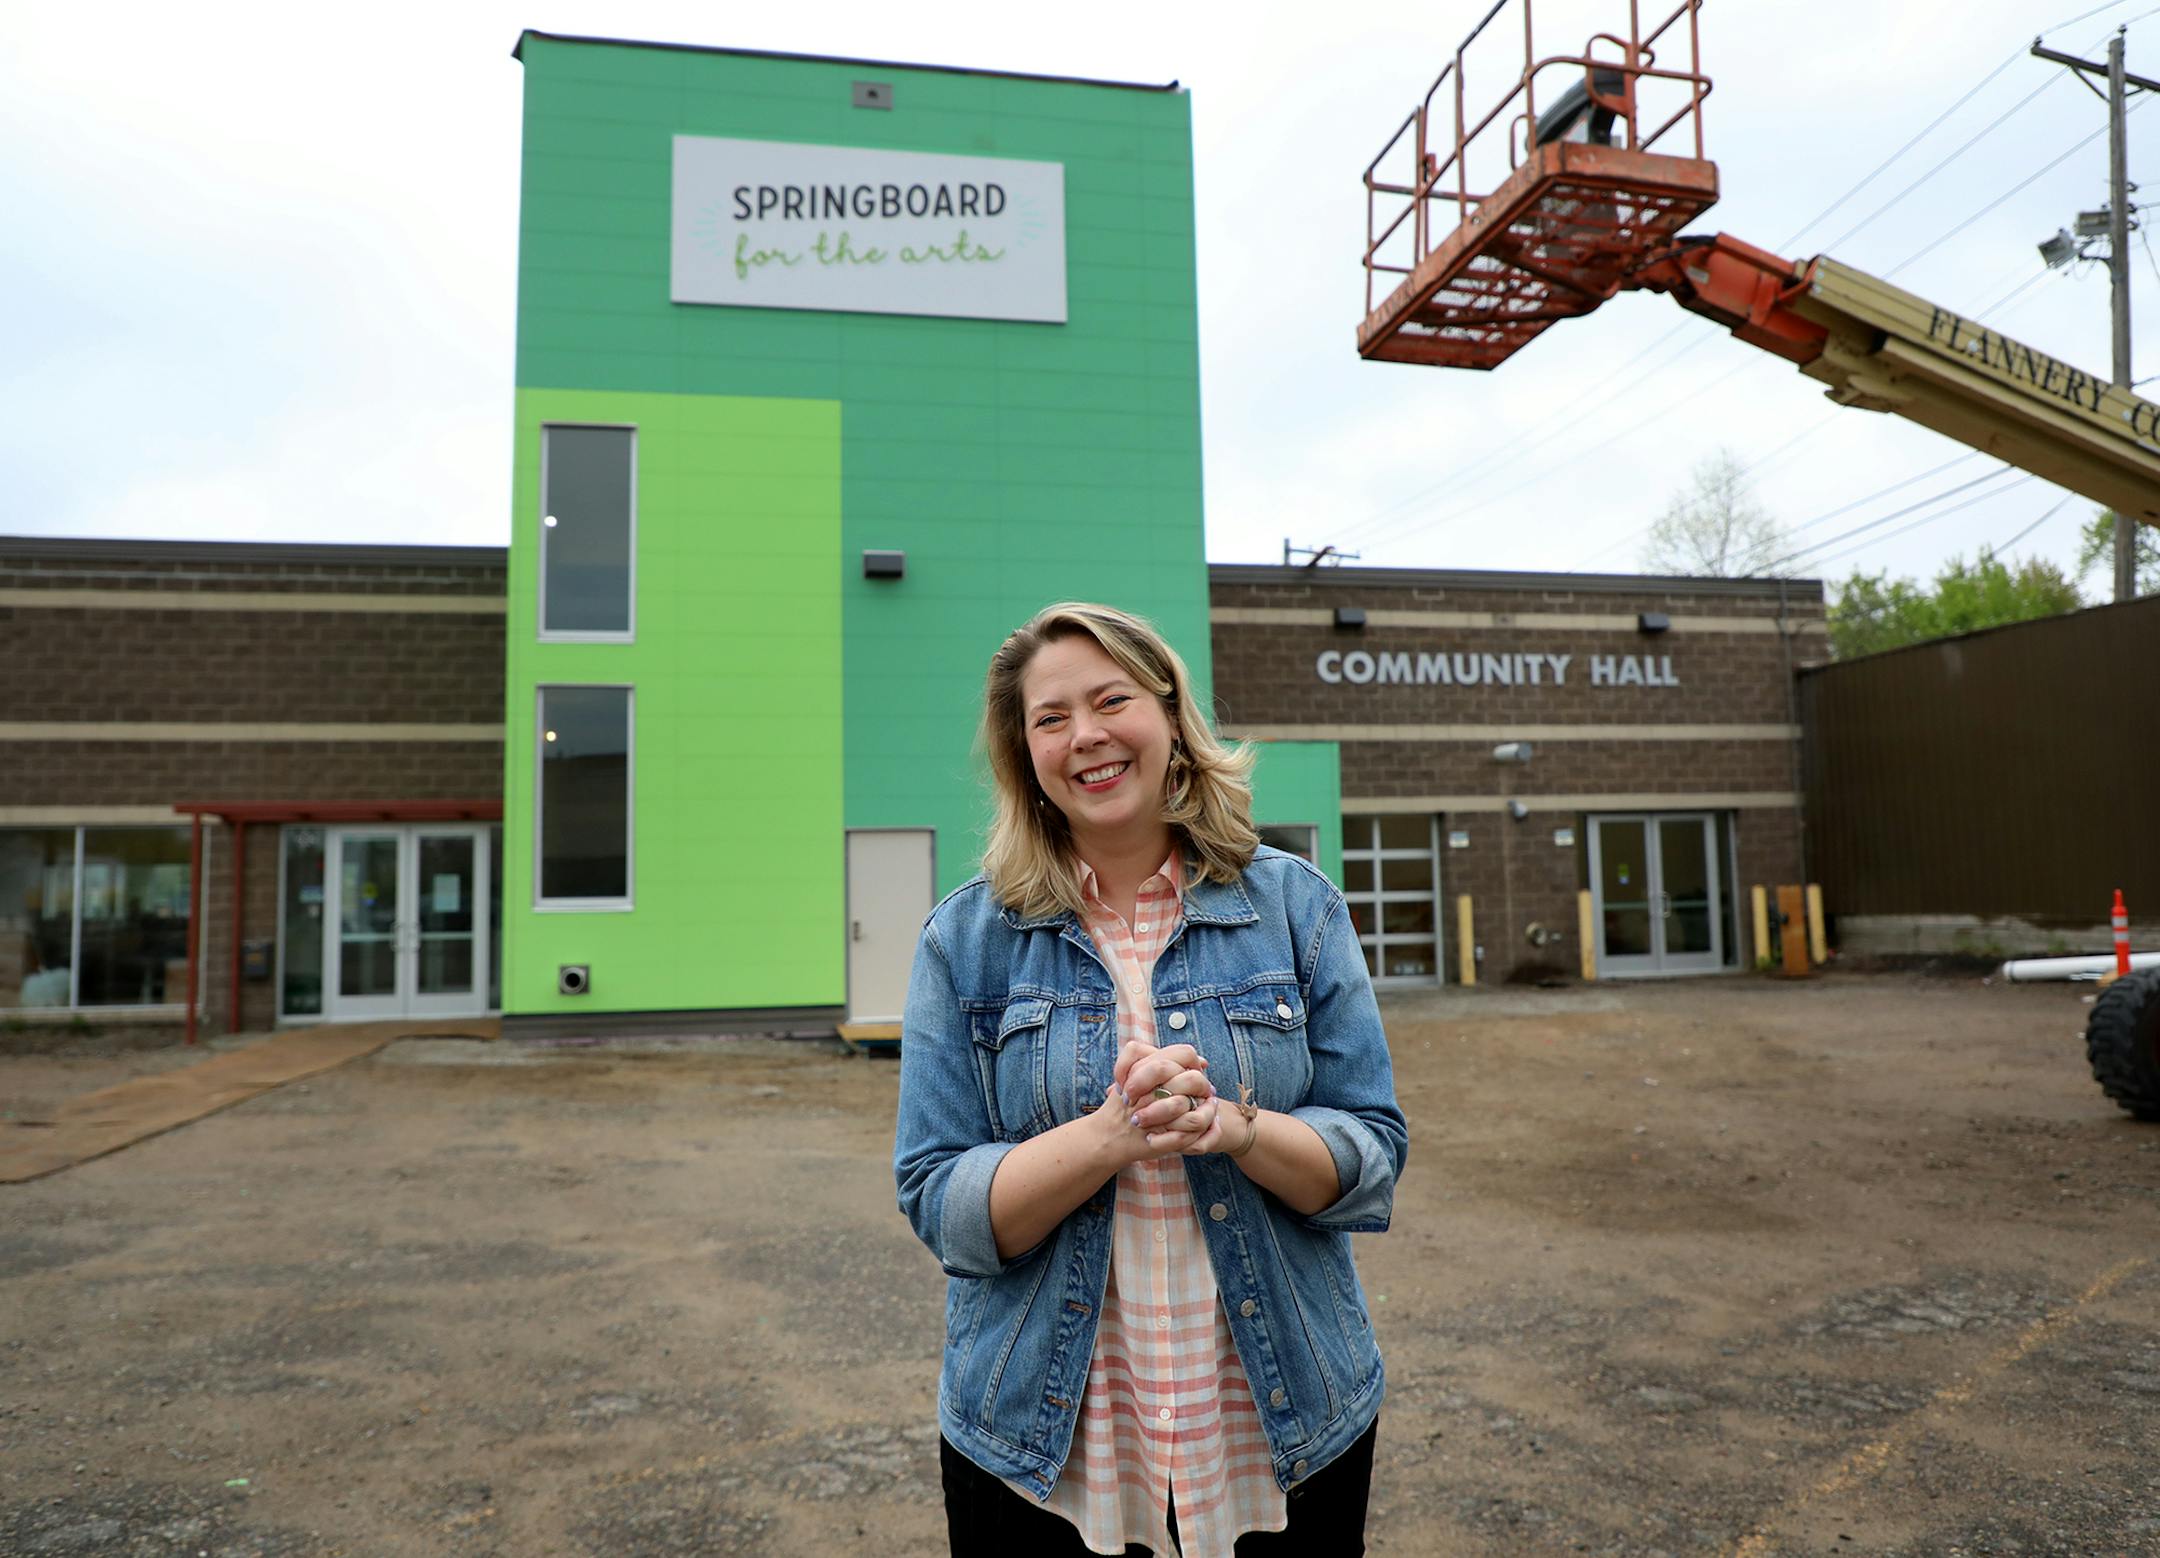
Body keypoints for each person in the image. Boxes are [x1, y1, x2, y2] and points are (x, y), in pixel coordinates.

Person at [895, 602, 1407, 1557]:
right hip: (1040, 1447)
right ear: (1027, 756)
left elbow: (1371, 1159)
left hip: (1283, 1425)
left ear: (1170, 716)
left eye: (1110, 700)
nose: (1084, 735)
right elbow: (940, 1202)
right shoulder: (963, 940)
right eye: (1051, 718)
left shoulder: (1297, 908)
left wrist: (1236, 1129)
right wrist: (1108, 1137)